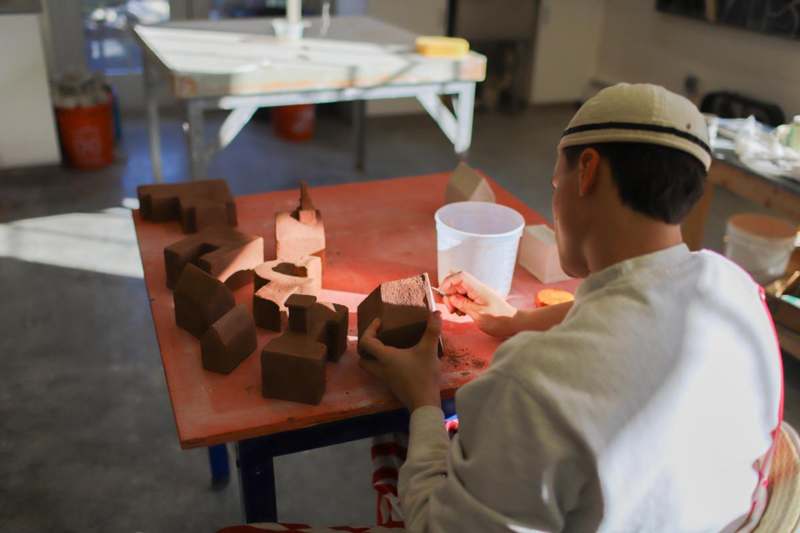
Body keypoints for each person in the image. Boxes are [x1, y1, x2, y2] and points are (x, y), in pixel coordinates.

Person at [358, 83, 784, 532]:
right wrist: (516, 319)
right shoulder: (735, 288)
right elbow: (642, 302)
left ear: (588, 171)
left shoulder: (531, 382)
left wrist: (423, 398)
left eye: (555, 183)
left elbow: (436, 527)